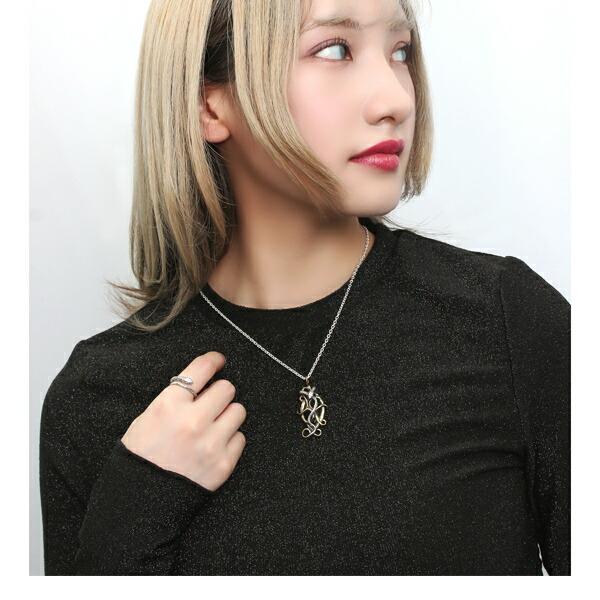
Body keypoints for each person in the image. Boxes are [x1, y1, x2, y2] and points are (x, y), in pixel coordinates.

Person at [38, 0, 570, 575]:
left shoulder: (507, 323)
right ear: (210, 105)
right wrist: (135, 509)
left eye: (400, 51)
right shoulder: (98, 398)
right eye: (335, 49)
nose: (396, 99)